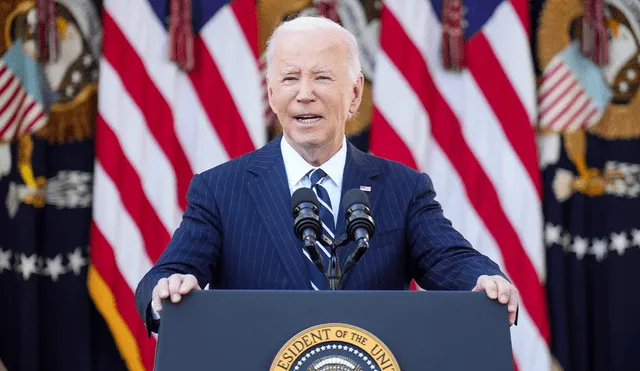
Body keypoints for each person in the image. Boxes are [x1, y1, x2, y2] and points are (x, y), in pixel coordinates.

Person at [134, 15, 519, 334]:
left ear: (354, 93)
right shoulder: (219, 189)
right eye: (289, 78)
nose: (304, 94)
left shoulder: (404, 189)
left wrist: (484, 280)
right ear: (270, 93)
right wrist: (165, 289)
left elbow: (451, 260)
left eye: (321, 77)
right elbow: (168, 273)